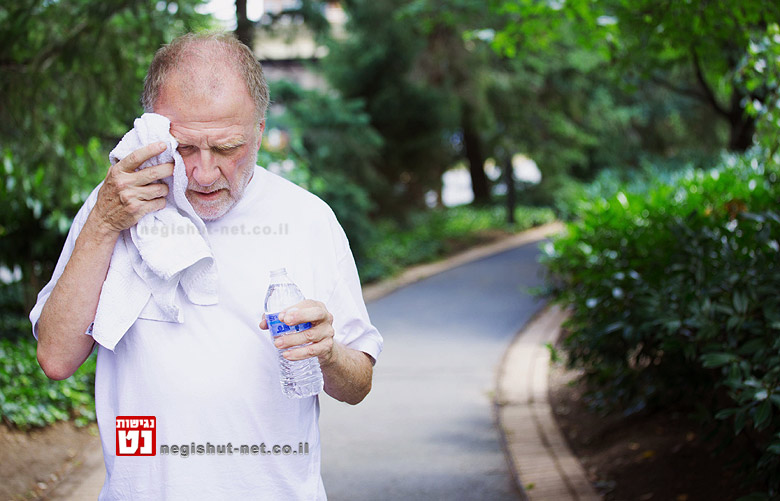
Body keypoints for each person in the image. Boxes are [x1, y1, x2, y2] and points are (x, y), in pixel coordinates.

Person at [29, 32, 383, 500]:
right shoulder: (116, 205)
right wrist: (104, 223)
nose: (203, 173)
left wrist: (329, 352)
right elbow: (55, 358)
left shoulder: (307, 218)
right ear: (153, 130)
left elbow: (358, 383)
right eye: (185, 148)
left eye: (226, 147)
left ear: (258, 130)